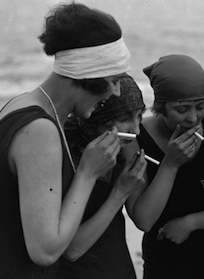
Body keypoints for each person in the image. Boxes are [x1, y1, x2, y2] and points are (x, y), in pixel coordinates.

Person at [0, 2, 131, 278]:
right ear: (88, 74)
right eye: (113, 80)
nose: (117, 93)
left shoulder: (22, 105)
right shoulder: (39, 130)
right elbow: (45, 250)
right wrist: (88, 172)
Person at [123, 54, 204, 279]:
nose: (193, 118)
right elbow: (143, 219)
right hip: (167, 262)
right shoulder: (136, 139)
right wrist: (170, 163)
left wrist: (192, 223)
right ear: (160, 107)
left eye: (201, 106)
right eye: (181, 110)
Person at [56, 75, 147, 279]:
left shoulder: (125, 145)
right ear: (96, 115)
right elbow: (71, 250)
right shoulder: (62, 154)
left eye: (140, 116)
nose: (136, 129)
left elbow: (145, 219)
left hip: (118, 268)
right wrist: (120, 193)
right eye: (124, 119)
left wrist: (171, 164)